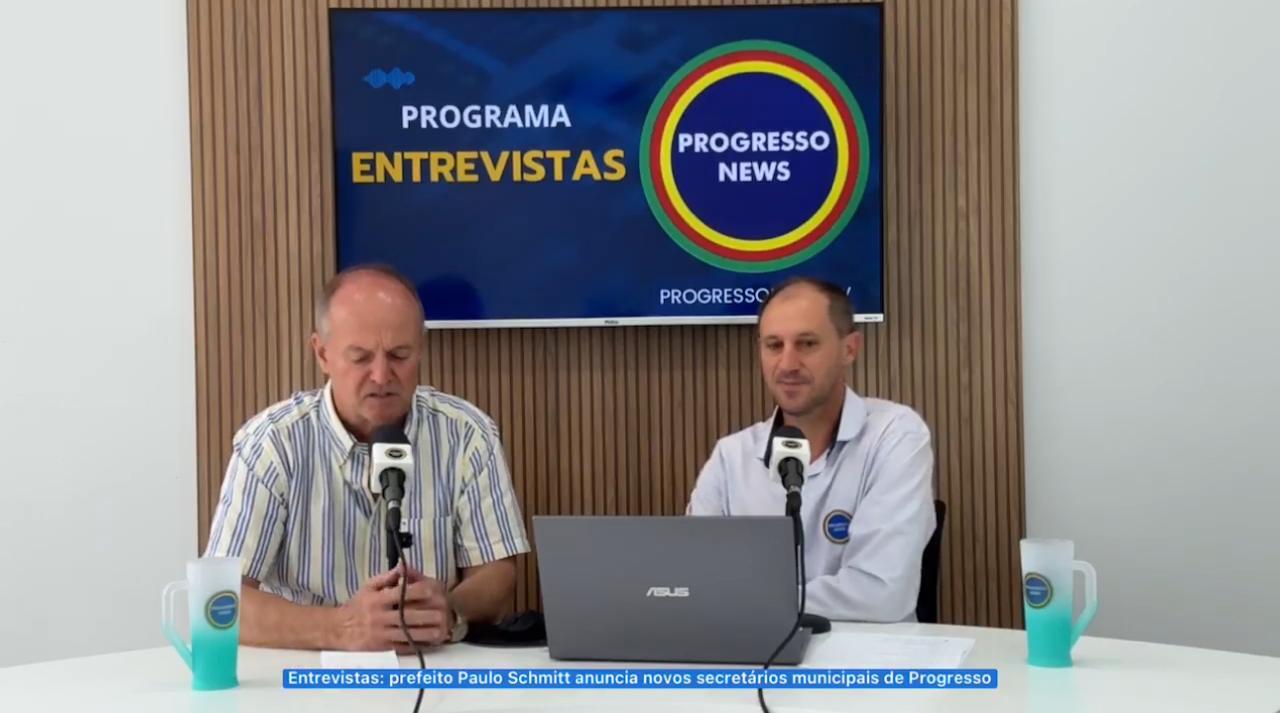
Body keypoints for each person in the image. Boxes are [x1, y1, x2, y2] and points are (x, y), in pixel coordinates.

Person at [204, 264, 530, 651]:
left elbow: (497, 572)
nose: (381, 375)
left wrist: (449, 609)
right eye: (360, 358)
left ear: (421, 349)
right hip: (306, 669)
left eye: (399, 355)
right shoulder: (272, 444)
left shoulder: (466, 434)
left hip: (431, 664)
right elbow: (220, 598)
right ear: (322, 354)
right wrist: (340, 628)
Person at [687, 277, 936, 622]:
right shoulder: (731, 457)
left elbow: (882, 595)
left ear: (850, 349)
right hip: (755, 651)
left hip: (868, 653)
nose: (787, 364)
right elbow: (695, 582)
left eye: (807, 344)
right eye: (774, 345)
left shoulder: (894, 435)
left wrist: (746, 599)